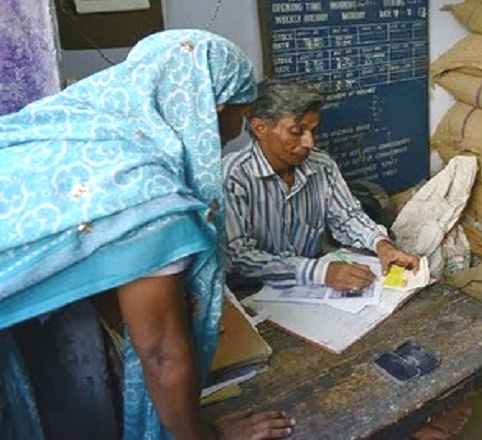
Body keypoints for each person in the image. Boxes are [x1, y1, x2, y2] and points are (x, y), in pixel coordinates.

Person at [0, 30, 294, 439]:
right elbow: (161, 354)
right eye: (239, 119)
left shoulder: (74, 126)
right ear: (212, 108)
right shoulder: (145, 193)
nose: (234, 136)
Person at [223, 80, 419, 291]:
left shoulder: (321, 164)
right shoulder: (233, 176)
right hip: (250, 293)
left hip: (309, 289)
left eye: (313, 131)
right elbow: (239, 257)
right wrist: (321, 272)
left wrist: (381, 244)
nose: (309, 143)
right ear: (260, 128)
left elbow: (347, 217)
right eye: (297, 131)